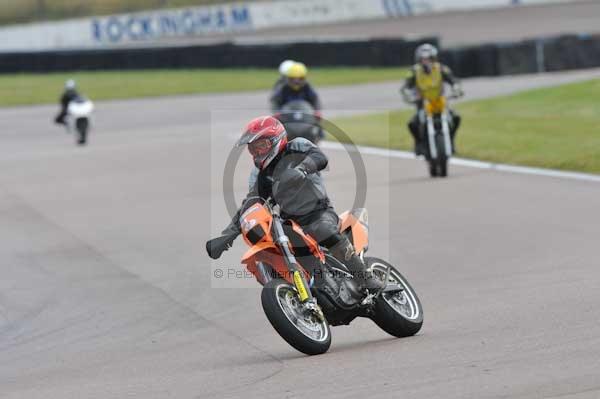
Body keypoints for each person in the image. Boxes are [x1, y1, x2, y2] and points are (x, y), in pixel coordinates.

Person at [208, 116, 384, 291]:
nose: (258, 153)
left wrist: (302, 168)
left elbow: (319, 157)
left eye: (262, 146)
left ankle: (365, 277)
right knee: (275, 248)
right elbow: (250, 203)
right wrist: (226, 237)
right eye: (253, 149)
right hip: (290, 225)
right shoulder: (262, 176)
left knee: (322, 229)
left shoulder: (296, 147)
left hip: (318, 213)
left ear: (276, 139)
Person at [401, 43, 463, 155]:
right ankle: (418, 144)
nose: (426, 61)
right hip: (422, 105)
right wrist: (408, 95)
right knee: (412, 124)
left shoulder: (441, 69)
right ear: (419, 60)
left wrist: (456, 89)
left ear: (434, 58)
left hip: (440, 103)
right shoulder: (414, 71)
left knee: (456, 118)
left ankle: (451, 141)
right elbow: (406, 86)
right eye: (423, 59)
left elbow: (453, 81)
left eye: (429, 59)